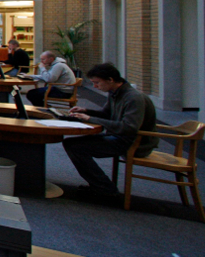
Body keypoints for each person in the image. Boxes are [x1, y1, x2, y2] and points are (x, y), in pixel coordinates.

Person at [62, 63, 157, 197]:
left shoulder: (133, 98)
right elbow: (107, 114)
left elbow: (129, 127)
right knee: (71, 144)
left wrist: (89, 118)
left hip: (133, 143)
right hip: (122, 137)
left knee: (75, 147)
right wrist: (86, 111)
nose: (95, 86)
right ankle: (101, 186)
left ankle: (105, 189)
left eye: (97, 83)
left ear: (110, 80)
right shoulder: (116, 93)